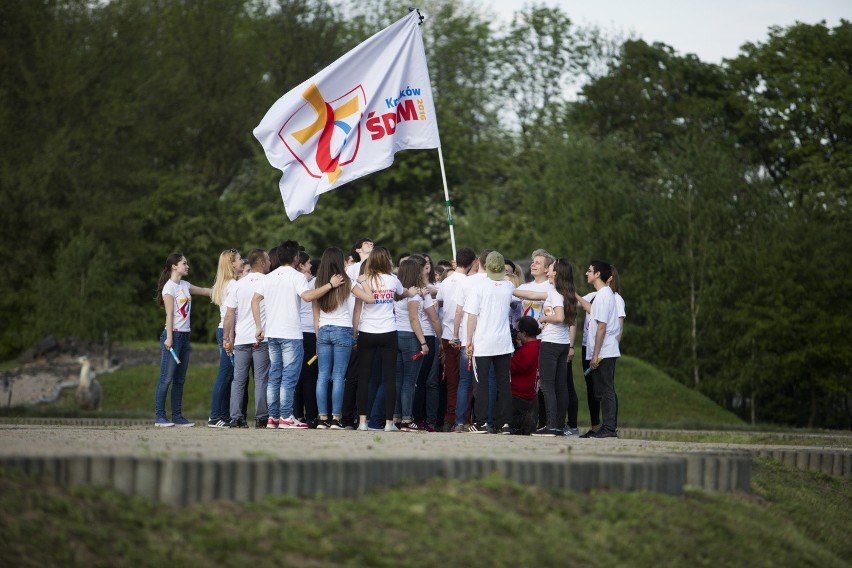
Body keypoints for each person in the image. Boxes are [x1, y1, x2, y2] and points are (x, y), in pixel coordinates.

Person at [252, 241, 343, 429]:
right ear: (295, 258)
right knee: (289, 377)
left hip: (272, 333)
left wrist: (259, 326)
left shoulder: (268, 277)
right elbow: (308, 296)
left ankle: (273, 417)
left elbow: (255, 300)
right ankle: (286, 416)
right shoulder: (297, 277)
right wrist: (330, 285)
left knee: (275, 375)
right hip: (291, 333)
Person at [514, 258, 579, 437]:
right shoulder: (567, 293)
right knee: (560, 386)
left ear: (556, 272)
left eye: (550, 268)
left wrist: (543, 319)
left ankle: (551, 425)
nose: (548, 271)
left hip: (551, 344)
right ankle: (558, 425)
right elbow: (535, 297)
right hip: (563, 343)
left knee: (547, 386)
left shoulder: (556, 293)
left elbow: (558, 317)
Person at [352, 246, 415, 432]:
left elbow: (357, 309)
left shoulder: (364, 280)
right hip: (388, 331)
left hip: (367, 330)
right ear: (387, 260)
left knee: (364, 377)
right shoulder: (393, 280)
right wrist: (411, 292)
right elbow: (402, 293)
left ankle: (362, 421)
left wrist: (355, 332)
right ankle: (389, 422)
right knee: (389, 378)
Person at [313, 247, 375, 429]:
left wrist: (318, 337)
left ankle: (322, 418)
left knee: (322, 375)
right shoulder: (348, 282)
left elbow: (315, 315)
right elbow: (369, 299)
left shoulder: (319, 283)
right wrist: (364, 282)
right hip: (343, 330)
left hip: (323, 330)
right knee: (339, 376)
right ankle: (336, 419)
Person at [153, 252, 211, 427]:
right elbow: (169, 314)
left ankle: (177, 416)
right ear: (174, 266)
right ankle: (160, 417)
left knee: (180, 379)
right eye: (184, 263)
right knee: (166, 378)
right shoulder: (169, 288)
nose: (187, 266)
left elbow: (206, 291)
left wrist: (227, 288)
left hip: (185, 337)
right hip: (174, 337)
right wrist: (169, 338)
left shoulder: (185, 285)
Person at [465, 251, 515, 434]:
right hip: (503, 342)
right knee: (504, 383)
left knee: (481, 383)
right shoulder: (508, 286)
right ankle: (505, 423)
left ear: (484, 265)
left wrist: (468, 340)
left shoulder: (478, 287)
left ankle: (482, 422)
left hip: (483, 342)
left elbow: (472, 317)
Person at [223, 249, 270, 428]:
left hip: (242, 338)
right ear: (263, 262)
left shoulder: (238, 285)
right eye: (268, 259)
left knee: (239, 379)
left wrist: (228, 338)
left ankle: (236, 417)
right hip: (261, 338)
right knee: (261, 379)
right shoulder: (268, 281)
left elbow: (229, 314)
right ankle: (261, 417)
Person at [438, 247, 476, 431]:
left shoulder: (445, 282)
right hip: (461, 335)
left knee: (452, 380)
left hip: (447, 334)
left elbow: (440, 303)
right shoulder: (469, 283)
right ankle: (463, 418)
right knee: (465, 381)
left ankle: (450, 416)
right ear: (471, 263)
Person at [583, 260, 621, 438]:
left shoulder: (605, 295)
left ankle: (609, 428)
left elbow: (602, 327)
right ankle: (607, 427)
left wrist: (595, 354)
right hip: (601, 351)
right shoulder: (601, 295)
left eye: (590, 271)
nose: (586, 273)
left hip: (604, 351)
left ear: (598, 274)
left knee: (606, 390)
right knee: (601, 390)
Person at [392, 258, 431, 431]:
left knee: (399, 380)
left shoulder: (398, 293)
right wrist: (423, 342)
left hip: (396, 336)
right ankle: (408, 420)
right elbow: (414, 319)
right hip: (410, 338)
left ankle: (396, 416)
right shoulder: (413, 295)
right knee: (409, 381)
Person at [207, 249, 243, 428]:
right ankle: (214, 416)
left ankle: (223, 414)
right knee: (225, 374)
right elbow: (231, 314)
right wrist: (229, 338)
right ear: (232, 264)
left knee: (228, 375)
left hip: (223, 330)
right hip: (228, 331)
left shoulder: (225, 284)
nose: (242, 261)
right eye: (239, 259)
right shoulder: (234, 285)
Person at [294, 251, 319, 427]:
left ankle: (297, 414)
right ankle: (311, 415)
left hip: (296, 333)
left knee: (296, 375)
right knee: (310, 375)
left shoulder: (293, 281)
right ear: (302, 265)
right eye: (308, 263)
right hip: (309, 333)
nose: (311, 265)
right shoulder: (309, 282)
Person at [510, 316, 541, 435]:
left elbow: (510, 368)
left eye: (518, 331)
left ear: (524, 333)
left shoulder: (526, 352)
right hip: (532, 396)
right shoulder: (539, 346)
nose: (516, 334)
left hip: (518, 397)